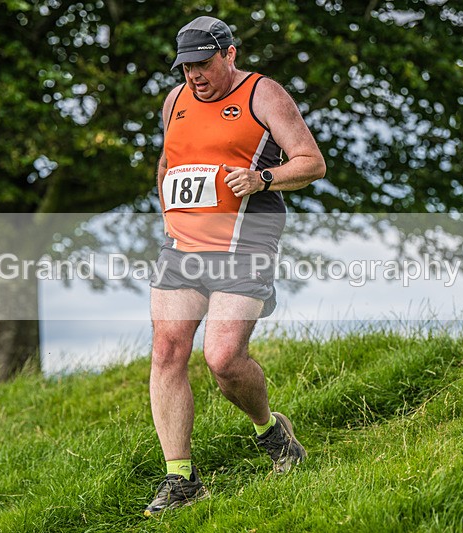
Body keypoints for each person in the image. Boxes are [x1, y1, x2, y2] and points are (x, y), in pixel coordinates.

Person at [144, 15, 326, 516]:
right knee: (167, 351)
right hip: (182, 248)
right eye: (186, 67)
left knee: (223, 359)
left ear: (229, 54)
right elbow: (168, 162)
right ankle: (181, 479)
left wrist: (262, 178)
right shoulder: (175, 100)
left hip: (245, 245)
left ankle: (271, 431)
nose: (194, 76)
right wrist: (168, 214)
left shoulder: (263, 94)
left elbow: (311, 162)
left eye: (203, 64)